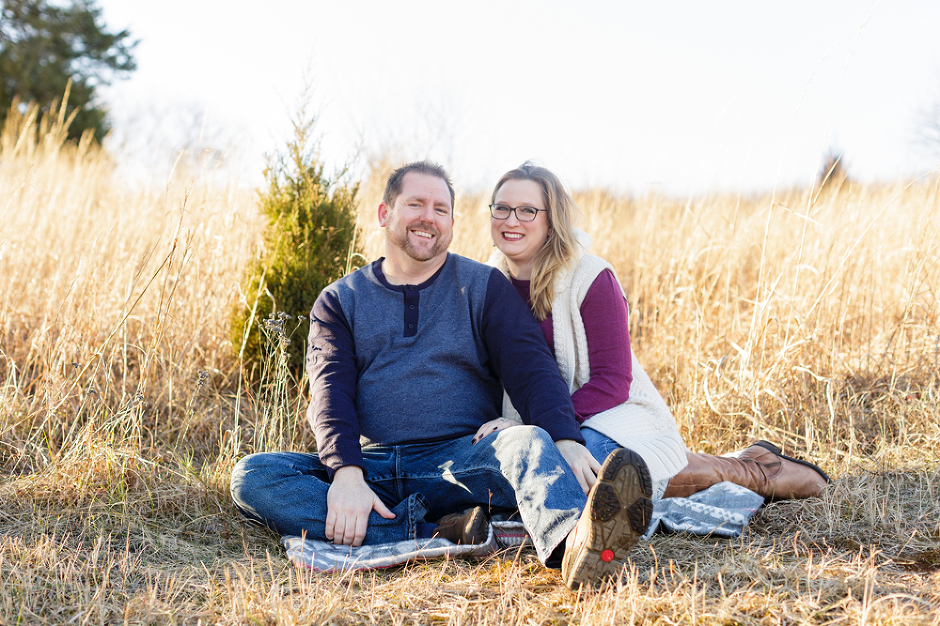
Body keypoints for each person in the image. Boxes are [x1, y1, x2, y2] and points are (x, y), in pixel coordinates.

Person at [231, 161, 654, 590]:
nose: (428, 217)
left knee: (527, 442)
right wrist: (346, 474)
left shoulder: (485, 286)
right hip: (375, 467)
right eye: (415, 203)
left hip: (465, 462)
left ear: (452, 222)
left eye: (440, 208)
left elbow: (534, 371)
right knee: (255, 477)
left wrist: (564, 436)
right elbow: (329, 394)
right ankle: (438, 532)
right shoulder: (340, 300)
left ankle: (575, 547)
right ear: (385, 213)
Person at [478, 162, 830, 508]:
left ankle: (752, 472)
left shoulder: (590, 278)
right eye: (503, 208)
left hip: (611, 413)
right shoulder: (484, 285)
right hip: (538, 422)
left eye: (527, 211)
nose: (511, 221)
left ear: (551, 220)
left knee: (589, 467)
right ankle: (737, 463)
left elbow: (613, 381)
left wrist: (539, 424)